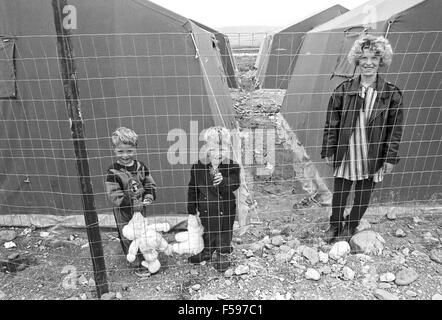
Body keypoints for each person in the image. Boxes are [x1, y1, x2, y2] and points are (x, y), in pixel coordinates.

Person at [321, 35, 404, 243]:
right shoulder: (343, 90)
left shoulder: (391, 94)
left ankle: (351, 224)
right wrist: (329, 150)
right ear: (357, 60)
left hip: (372, 154)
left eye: (374, 58)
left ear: (381, 60)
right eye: (364, 57)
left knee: (364, 194)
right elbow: (331, 124)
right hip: (347, 151)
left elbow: (395, 130)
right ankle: (335, 224)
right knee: (340, 192)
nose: (369, 62)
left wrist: (390, 158)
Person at [187, 126, 241, 272]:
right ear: (206, 148)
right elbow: (193, 188)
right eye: (213, 149)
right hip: (206, 208)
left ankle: (223, 253)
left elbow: (235, 184)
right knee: (208, 230)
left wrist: (224, 181)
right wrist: (192, 209)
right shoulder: (198, 167)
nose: (218, 153)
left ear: (229, 148)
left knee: (225, 232)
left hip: (226, 208)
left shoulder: (233, 166)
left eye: (222, 149)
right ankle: (207, 251)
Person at [105, 127, 157, 269]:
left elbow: (149, 184)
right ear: (114, 149)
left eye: (129, 151)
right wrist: (131, 203)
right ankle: (134, 261)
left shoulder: (141, 167)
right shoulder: (113, 171)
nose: (125, 155)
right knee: (127, 234)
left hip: (140, 208)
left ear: (136, 149)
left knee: (142, 232)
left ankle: (144, 255)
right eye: (121, 151)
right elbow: (113, 194)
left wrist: (148, 196)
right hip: (123, 210)